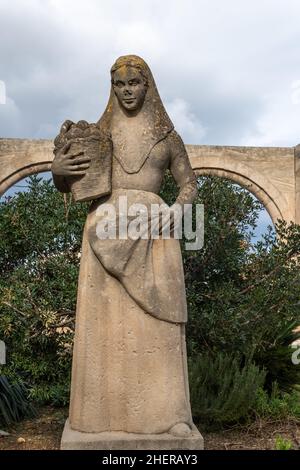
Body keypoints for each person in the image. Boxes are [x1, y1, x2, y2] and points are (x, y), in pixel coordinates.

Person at [51, 55, 198, 436]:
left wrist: (179, 210)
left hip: (155, 231)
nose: (127, 90)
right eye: (120, 84)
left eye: (134, 83)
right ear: (112, 88)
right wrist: (58, 173)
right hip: (105, 225)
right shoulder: (97, 135)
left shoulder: (168, 138)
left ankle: (167, 418)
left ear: (148, 85)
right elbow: (71, 181)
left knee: (158, 323)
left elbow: (189, 185)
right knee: (105, 325)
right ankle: (98, 419)